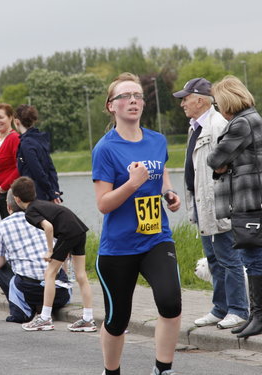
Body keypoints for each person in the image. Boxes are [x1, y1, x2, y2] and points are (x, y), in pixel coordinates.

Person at [92, 72, 181, 375]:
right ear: (111, 106)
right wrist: (131, 185)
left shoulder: (157, 140)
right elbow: (103, 204)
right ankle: (111, 371)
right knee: (118, 321)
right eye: (125, 96)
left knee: (170, 303)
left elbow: (162, 172)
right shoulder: (105, 148)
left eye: (138, 96)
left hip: (156, 236)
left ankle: (163, 369)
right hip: (119, 247)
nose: (133, 101)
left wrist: (168, 191)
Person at [173, 77, 248, 329]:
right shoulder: (195, 126)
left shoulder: (218, 125)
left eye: (185, 98)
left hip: (219, 203)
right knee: (213, 258)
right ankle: (220, 308)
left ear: (200, 100)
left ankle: (238, 309)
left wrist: (226, 203)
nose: (182, 103)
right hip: (202, 204)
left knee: (229, 258)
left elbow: (229, 165)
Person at [207, 75, 262, 339]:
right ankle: (255, 315)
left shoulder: (241, 124)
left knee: (252, 259)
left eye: (217, 103)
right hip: (254, 199)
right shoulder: (254, 118)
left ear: (228, 100)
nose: (217, 108)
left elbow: (215, 158)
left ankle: (259, 316)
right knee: (253, 258)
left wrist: (224, 164)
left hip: (249, 202)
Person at [11, 176, 96, 332]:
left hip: (67, 233)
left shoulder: (30, 212)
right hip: (79, 230)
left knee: (49, 273)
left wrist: (50, 250)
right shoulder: (41, 203)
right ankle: (88, 319)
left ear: (16, 199)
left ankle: (44, 318)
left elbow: (48, 227)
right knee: (81, 275)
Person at [0, 189, 71, 323]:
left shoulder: (1, 227)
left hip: (30, 291)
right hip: (60, 294)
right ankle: (44, 305)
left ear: (8, 207)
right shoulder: (46, 221)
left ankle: (22, 310)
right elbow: (64, 253)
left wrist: (10, 255)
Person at [14, 105, 62, 203]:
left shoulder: (26, 144)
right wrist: (55, 190)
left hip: (35, 196)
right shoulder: (40, 139)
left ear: (17, 122)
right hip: (46, 194)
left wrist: (51, 192)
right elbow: (51, 168)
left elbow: (37, 171)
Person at [0, 103, 20, 219]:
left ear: (10, 117)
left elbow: (20, 166)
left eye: (1, 117)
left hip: (9, 194)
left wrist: (4, 187)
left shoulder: (14, 138)